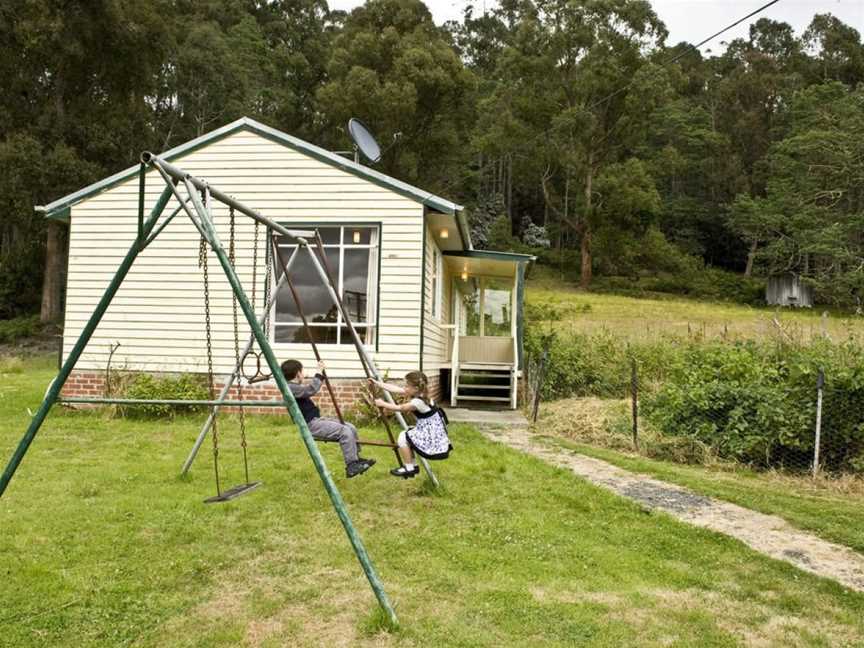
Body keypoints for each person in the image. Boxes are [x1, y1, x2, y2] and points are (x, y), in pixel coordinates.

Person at [281, 359, 375, 478]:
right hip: (309, 425)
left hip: (315, 420)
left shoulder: (293, 386)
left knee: (350, 427)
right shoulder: (289, 388)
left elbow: (306, 389)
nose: (304, 374)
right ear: (298, 373)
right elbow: (311, 390)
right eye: (302, 371)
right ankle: (351, 465)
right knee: (344, 431)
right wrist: (319, 372)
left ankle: (356, 459)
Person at [370, 371, 452, 479]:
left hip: (430, 433)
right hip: (430, 429)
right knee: (407, 438)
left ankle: (409, 467)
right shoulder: (421, 394)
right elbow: (395, 389)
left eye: (407, 385)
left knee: (403, 437)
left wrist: (382, 403)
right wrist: (377, 383)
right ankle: (412, 466)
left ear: (416, 388)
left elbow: (401, 408)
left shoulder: (418, 402)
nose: (405, 388)